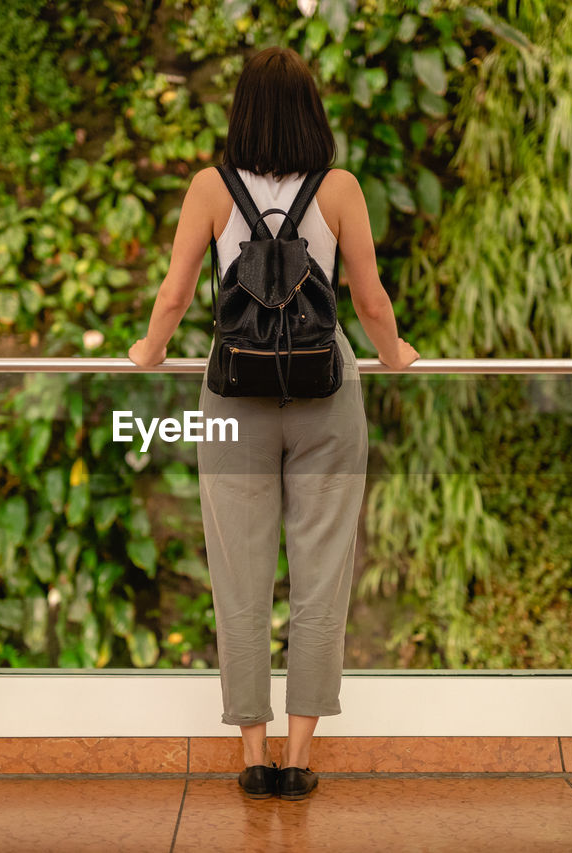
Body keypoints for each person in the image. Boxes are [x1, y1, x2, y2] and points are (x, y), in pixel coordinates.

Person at [128, 46, 418, 800]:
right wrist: (396, 355)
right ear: (312, 113)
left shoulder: (208, 188)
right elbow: (372, 302)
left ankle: (252, 754)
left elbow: (174, 294)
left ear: (242, 112)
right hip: (327, 393)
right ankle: (298, 756)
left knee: (238, 573)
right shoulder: (343, 188)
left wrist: (149, 351)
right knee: (321, 572)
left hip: (234, 393)